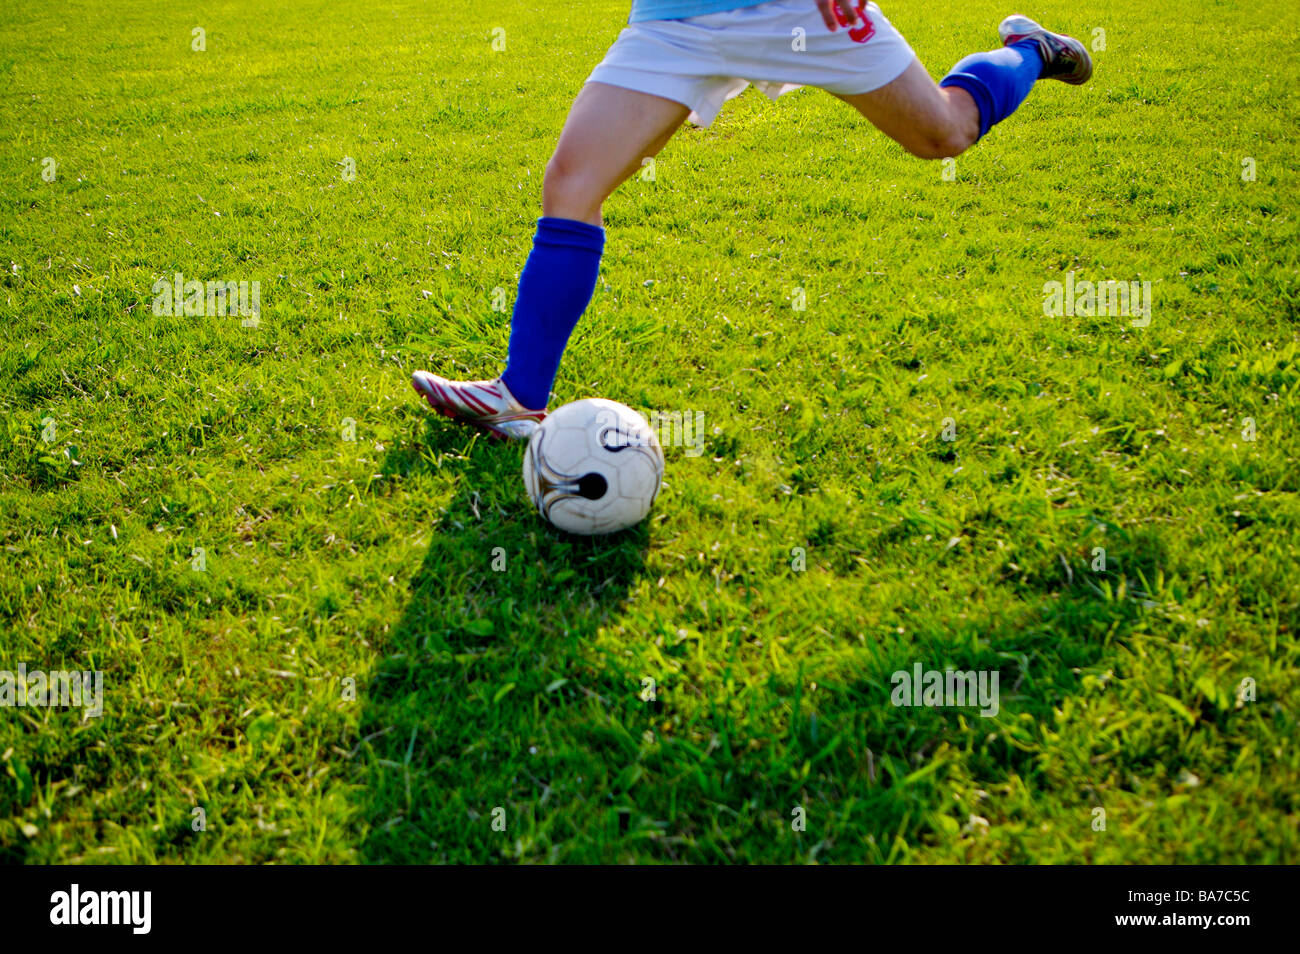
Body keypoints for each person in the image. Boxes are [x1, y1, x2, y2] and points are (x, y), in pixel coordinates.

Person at [412, 2, 1092, 438]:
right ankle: (521, 397)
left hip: (799, 8)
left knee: (943, 132)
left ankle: (1029, 49)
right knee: (570, 185)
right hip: (674, 19)